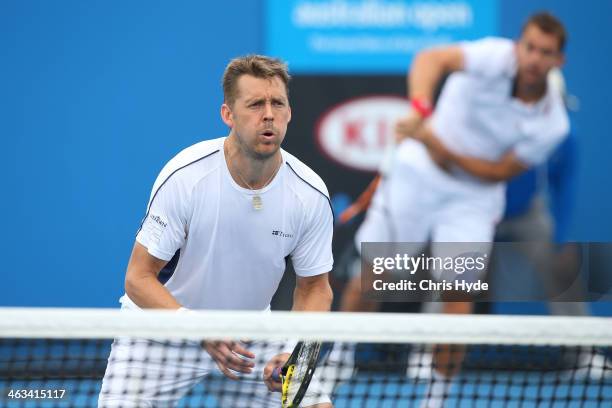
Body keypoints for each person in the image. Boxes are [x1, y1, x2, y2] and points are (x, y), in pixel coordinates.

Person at [339, 12, 570, 407]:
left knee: (459, 295)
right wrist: (420, 107)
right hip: (416, 176)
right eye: (529, 47)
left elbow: (496, 172)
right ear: (519, 46)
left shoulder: (554, 126)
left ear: (557, 61)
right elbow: (431, 59)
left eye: (545, 52)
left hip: (474, 197)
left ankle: (438, 396)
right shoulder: (494, 56)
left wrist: (431, 141)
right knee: (373, 273)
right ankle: (338, 363)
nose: (534, 58)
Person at [98, 55, 334, 408]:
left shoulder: (309, 194)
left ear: (288, 113)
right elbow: (137, 279)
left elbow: (315, 288)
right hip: (161, 332)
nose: (268, 114)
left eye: (277, 104)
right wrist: (199, 329)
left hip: (250, 337)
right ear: (228, 114)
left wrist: (292, 353)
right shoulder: (186, 178)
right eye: (255, 104)